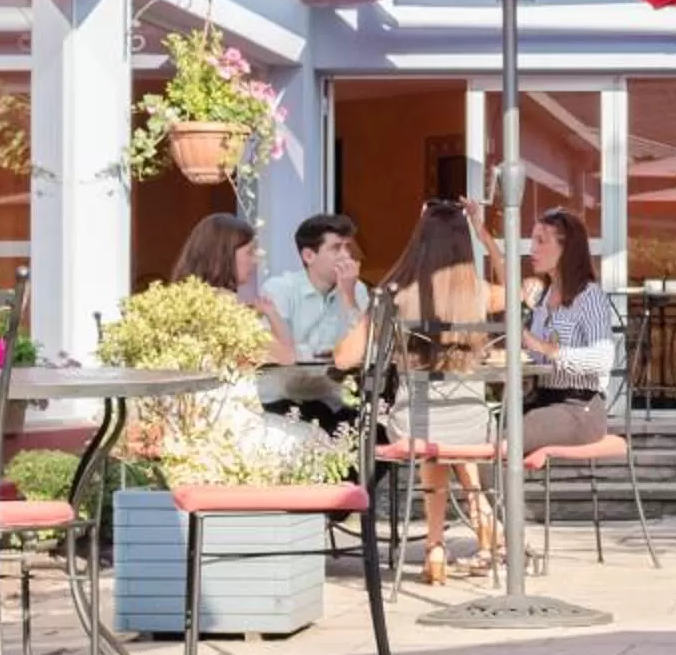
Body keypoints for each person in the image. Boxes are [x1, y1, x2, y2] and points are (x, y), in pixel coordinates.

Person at [350, 198, 505, 584]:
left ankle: (435, 548)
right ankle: (482, 515)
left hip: (414, 423)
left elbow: (346, 356)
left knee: (431, 430)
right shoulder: (480, 293)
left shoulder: (395, 293)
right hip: (473, 421)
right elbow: (515, 290)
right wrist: (485, 234)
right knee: (449, 434)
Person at [172, 213, 298, 364]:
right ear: (224, 254)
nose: (256, 261)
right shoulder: (224, 304)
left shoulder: (182, 299)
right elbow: (286, 357)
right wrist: (272, 314)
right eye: (249, 253)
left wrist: (269, 310)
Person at [524, 209, 617, 398]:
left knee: (516, 428)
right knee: (492, 421)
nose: (532, 249)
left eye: (541, 241)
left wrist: (547, 349)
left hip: (578, 403)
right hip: (540, 398)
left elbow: (604, 359)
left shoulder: (589, 296)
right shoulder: (543, 296)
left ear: (566, 248)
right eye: (532, 241)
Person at [260, 213, 370, 361]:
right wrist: (318, 354)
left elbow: (367, 348)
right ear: (308, 256)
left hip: (341, 380)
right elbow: (275, 350)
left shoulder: (356, 288)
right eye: (336, 248)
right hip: (290, 380)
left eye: (348, 248)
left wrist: (349, 297)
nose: (346, 256)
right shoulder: (280, 289)